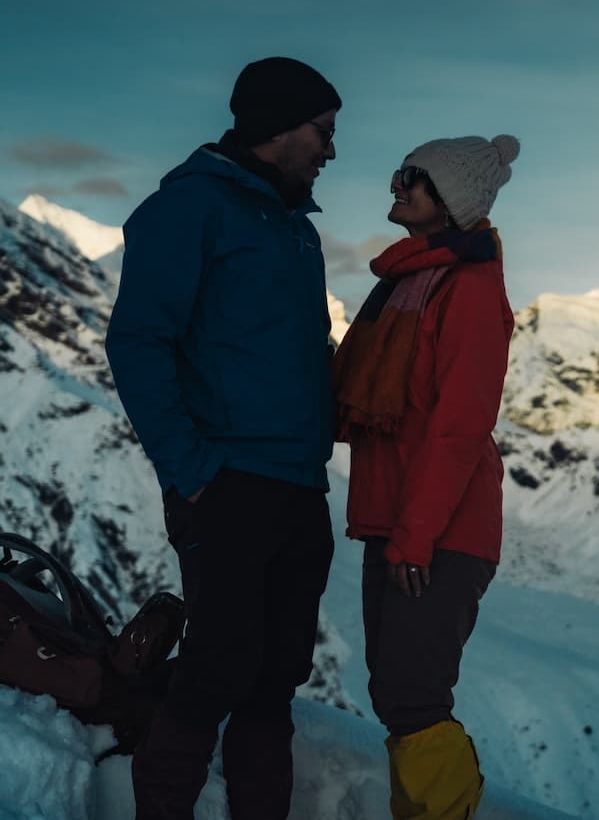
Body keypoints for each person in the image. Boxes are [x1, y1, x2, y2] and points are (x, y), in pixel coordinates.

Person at [105, 56, 341, 820]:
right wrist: (192, 469)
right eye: (322, 131)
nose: (330, 150)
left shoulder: (295, 230)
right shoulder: (191, 208)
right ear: (279, 124)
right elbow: (138, 342)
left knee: (275, 679)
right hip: (228, 481)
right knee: (216, 670)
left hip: (299, 487)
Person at [331, 135, 519, 819]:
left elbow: (459, 427)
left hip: (439, 530)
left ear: (454, 201)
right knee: (396, 696)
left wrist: (415, 538)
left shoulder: (467, 288)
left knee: (413, 700)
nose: (398, 185)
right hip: (397, 520)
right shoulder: (406, 282)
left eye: (416, 178)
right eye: (401, 173)